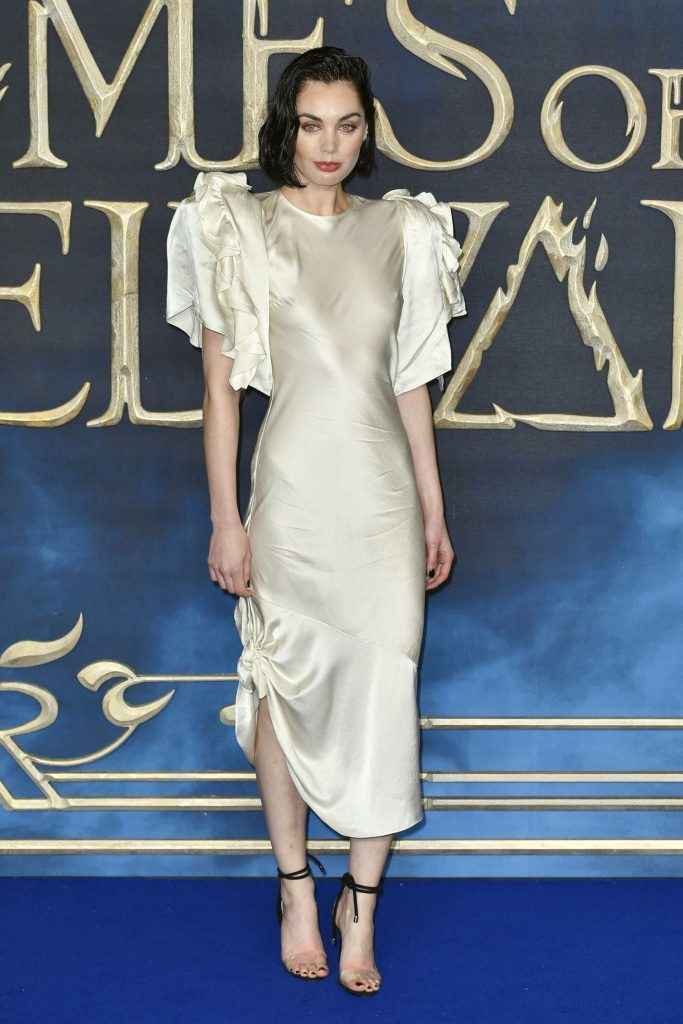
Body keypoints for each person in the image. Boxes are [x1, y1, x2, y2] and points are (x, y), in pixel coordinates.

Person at [166, 45, 466, 996]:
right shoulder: (237, 227)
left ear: (365, 129)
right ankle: (297, 888)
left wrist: (433, 510)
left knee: (384, 692)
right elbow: (221, 394)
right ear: (284, 130)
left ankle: (360, 907)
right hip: (291, 500)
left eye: (346, 124)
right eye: (309, 124)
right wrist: (227, 519)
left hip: (382, 504)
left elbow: (411, 382)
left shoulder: (403, 229)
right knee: (285, 691)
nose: (328, 144)